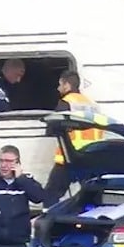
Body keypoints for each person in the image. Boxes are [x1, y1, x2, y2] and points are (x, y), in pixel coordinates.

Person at [45, 70, 105, 209]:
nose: (58, 88)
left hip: (69, 156)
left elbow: (52, 128)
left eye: (60, 84)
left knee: (51, 193)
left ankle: (49, 222)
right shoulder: (93, 105)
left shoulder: (66, 103)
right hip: (91, 157)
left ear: (67, 85)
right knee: (91, 194)